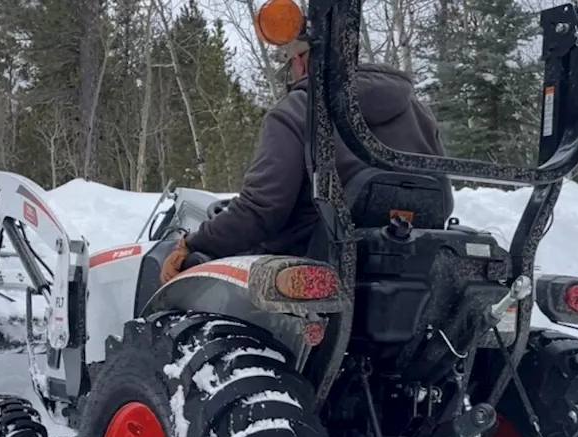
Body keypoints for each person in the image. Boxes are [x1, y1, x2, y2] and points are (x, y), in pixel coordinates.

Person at [160, 38, 449, 282]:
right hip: (407, 270)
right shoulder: (418, 112)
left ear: (300, 60)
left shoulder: (301, 108)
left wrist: (193, 243)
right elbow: (441, 199)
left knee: (179, 275)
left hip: (312, 269)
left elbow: (261, 210)